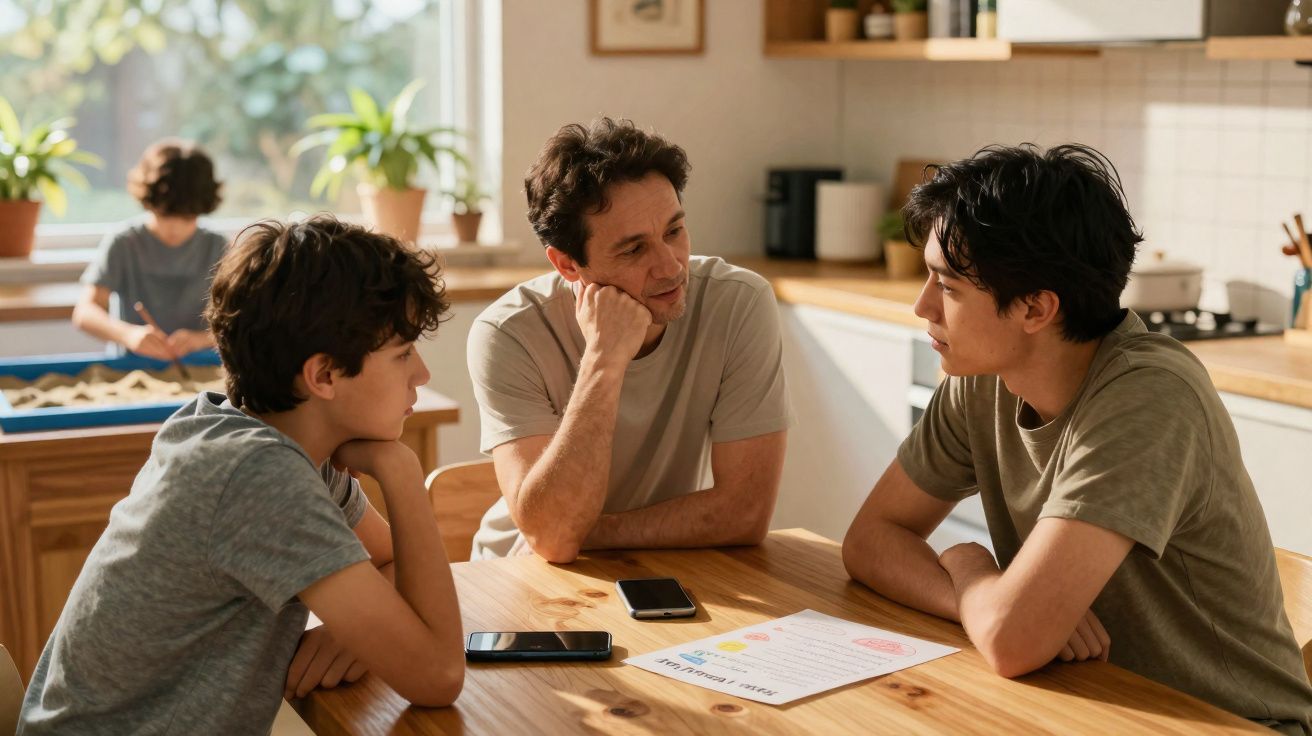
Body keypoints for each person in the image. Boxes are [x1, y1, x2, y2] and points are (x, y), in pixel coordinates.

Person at [841, 143, 1312, 734]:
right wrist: (978, 597)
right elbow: (869, 541)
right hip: (1078, 703)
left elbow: (1013, 640)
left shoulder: (1151, 398)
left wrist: (967, 565)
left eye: (948, 286)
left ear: (1035, 308)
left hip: (1224, 724)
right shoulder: (984, 376)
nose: (921, 306)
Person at [20, 216, 464, 734]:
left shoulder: (244, 430)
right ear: (323, 375)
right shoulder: (258, 475)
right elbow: (439, 675)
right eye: (403, 354)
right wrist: (403, 472)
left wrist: (356, 632)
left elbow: (387, 562)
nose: (422, 375)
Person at [467, 117, 792, 562]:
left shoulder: (737, 303)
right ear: (567, 265)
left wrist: (591, 532)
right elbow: (553, 539)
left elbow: (745, 514)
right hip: (521, 577)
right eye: (634, 249)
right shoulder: (507, 334)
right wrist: (604, 356)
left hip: (659, 561)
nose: (671, 267)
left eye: (674, 232)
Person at [73, 138, 228, 361]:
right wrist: (127, 334)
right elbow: (85, 312)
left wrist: (201, 339)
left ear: (204, 206)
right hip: (131, 367)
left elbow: (244, 320)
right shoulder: (124, 243)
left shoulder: (218, 247)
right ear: (149, 200)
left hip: (201, 366)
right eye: (165, 215)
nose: (175, 228)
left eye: (187, 216)